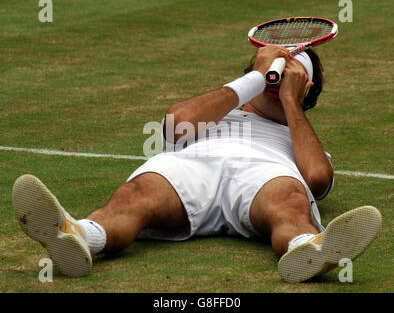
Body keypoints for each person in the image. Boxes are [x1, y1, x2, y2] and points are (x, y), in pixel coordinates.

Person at [12, 46, 382, 283]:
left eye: (287, 75)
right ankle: (80, 236)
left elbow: (316, 177)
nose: (276, 80)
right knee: (137, 192)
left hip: (264, 175)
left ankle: (309, 248)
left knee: (291, 200)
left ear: (306, 87)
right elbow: (175, 125)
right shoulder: (220, 111)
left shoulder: (299, 135)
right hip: (193, 167)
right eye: (272, 72)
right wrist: (254, 79)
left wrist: (291, 100)